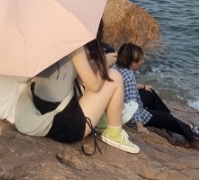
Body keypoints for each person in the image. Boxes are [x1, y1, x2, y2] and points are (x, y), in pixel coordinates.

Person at [23, 21, 139, 153]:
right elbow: (94, 86)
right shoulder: (74, 46)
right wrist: (105, 62)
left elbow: (78, 74)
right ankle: (114, 134)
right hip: (66, 126)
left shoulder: (47, 39)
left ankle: (100, 121)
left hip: (42, 112)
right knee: (114, 76)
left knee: (93, 75)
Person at [114, 43, 199, 144]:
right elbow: (132, 104)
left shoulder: (117, 67)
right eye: (140, 60)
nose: (142, 62)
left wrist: (143, 86)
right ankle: (189, 130)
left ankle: (169, 122)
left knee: (149, 92)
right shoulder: (129, 75)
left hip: (123, 105)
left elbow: (127, 87)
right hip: (129, 115)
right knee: (167, 119)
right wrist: (139, 126)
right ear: (132, 63)